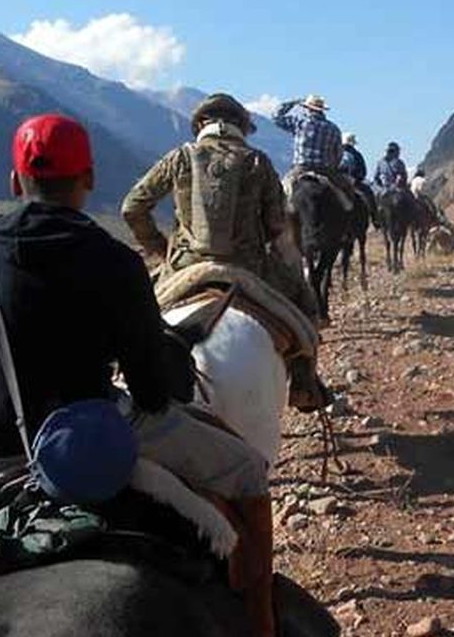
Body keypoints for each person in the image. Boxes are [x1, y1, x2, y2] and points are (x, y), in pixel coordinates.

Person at [0, 112, 283, 637]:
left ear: (15, 182)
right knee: (247, 473)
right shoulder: (112, 260)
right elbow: (153, 391)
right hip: (93, 442)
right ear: (87, 179)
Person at [121, 92, 330, 412]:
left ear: (201, 124)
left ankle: (122, 382)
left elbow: (132, 207)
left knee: (131, 315)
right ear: (241, 126)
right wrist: (289, 264)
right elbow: (277, 227)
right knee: (305, 305)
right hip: (249, 269)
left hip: (184, 267)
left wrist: (161, 249)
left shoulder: (180, 156)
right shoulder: (257, 161)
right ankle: (303, 384)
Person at [271, 95, 354, 211]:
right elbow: (338, 154)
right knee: (349, 194)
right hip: (326, 170)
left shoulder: (299, 123)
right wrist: (333, 166)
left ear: (307, 109)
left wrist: (293, 102)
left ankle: (276, 222)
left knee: (279, 194)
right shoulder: (334, 128)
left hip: (301, 169)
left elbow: (275, 117)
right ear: (322, 111)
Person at [340, 132, 375, 220]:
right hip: (354, 181)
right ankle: (375, 218)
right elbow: (363, 171)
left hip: (337, 179)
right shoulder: (357, 155)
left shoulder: (335, 152)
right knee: (369, 194)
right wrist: (357, 178)